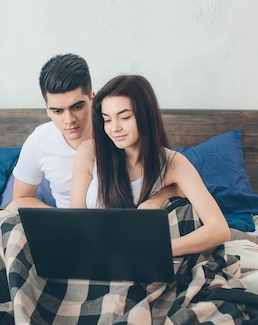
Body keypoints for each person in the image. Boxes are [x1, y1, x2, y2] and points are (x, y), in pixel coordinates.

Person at [70, 74, 230, 256]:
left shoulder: (172, 162)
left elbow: (219, 229)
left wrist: (154, 250)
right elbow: (76, 221)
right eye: (107, 119)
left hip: (142, 258)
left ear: (145, 116)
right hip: (95, 252)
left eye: (124, 117)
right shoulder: (89, 152)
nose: (114, 128)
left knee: (185, 212)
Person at [12, 54, 178, 209]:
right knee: (6, 216)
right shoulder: (38, 141)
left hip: (123, 220)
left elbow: (167, 176)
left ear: (93, 98)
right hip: (69, 224)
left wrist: (156, 200)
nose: (69, 120)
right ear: (47, 110)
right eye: (57, 111)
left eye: (77, 107)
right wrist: (60, 221)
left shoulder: (118, 133)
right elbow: (21, 196)